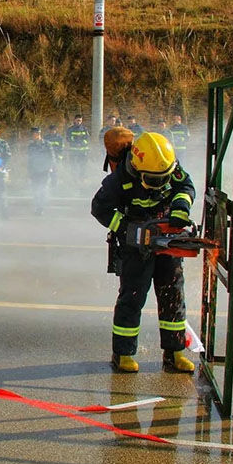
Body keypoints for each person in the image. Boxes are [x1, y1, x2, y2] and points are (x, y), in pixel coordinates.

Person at [91, 132, 196, 374]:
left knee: (173, 295)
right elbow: (99, 209)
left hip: (167, 240)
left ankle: (175, 351)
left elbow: (185, 186)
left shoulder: (167, 165)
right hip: (135, 246)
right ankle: (124, 353)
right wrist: (129, 229)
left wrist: (180, 207)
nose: (160, 184)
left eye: (164, 179)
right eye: (154, 180)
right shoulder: (119, 179)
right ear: (138, 170)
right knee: (133, 297)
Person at [27, 127, 56, 214]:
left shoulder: (47, 144)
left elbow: (52, 157)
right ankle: (37, 206)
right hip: (34, 171)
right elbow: (30, 159)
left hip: (44, 170)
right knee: (35, 189)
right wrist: (29, 171)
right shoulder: (31, 145)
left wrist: (50, 167)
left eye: (35, 134)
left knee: (43, 189)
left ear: (39, 134)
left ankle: (41, 207)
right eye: (33, 134)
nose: (34, 136)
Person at [66, 114, 90, 184]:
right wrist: (76, 142)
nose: (79, 122)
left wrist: (82, 142)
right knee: (74, 166)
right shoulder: (70, 129)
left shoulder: (85, 129)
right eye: (77, 120)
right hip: (74, 151)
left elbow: (87, 139)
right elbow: (68, 138)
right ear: (74, 120)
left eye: (80, 120)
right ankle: (74, 179)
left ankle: (82, 179)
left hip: (83, 151)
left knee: (83, 166)